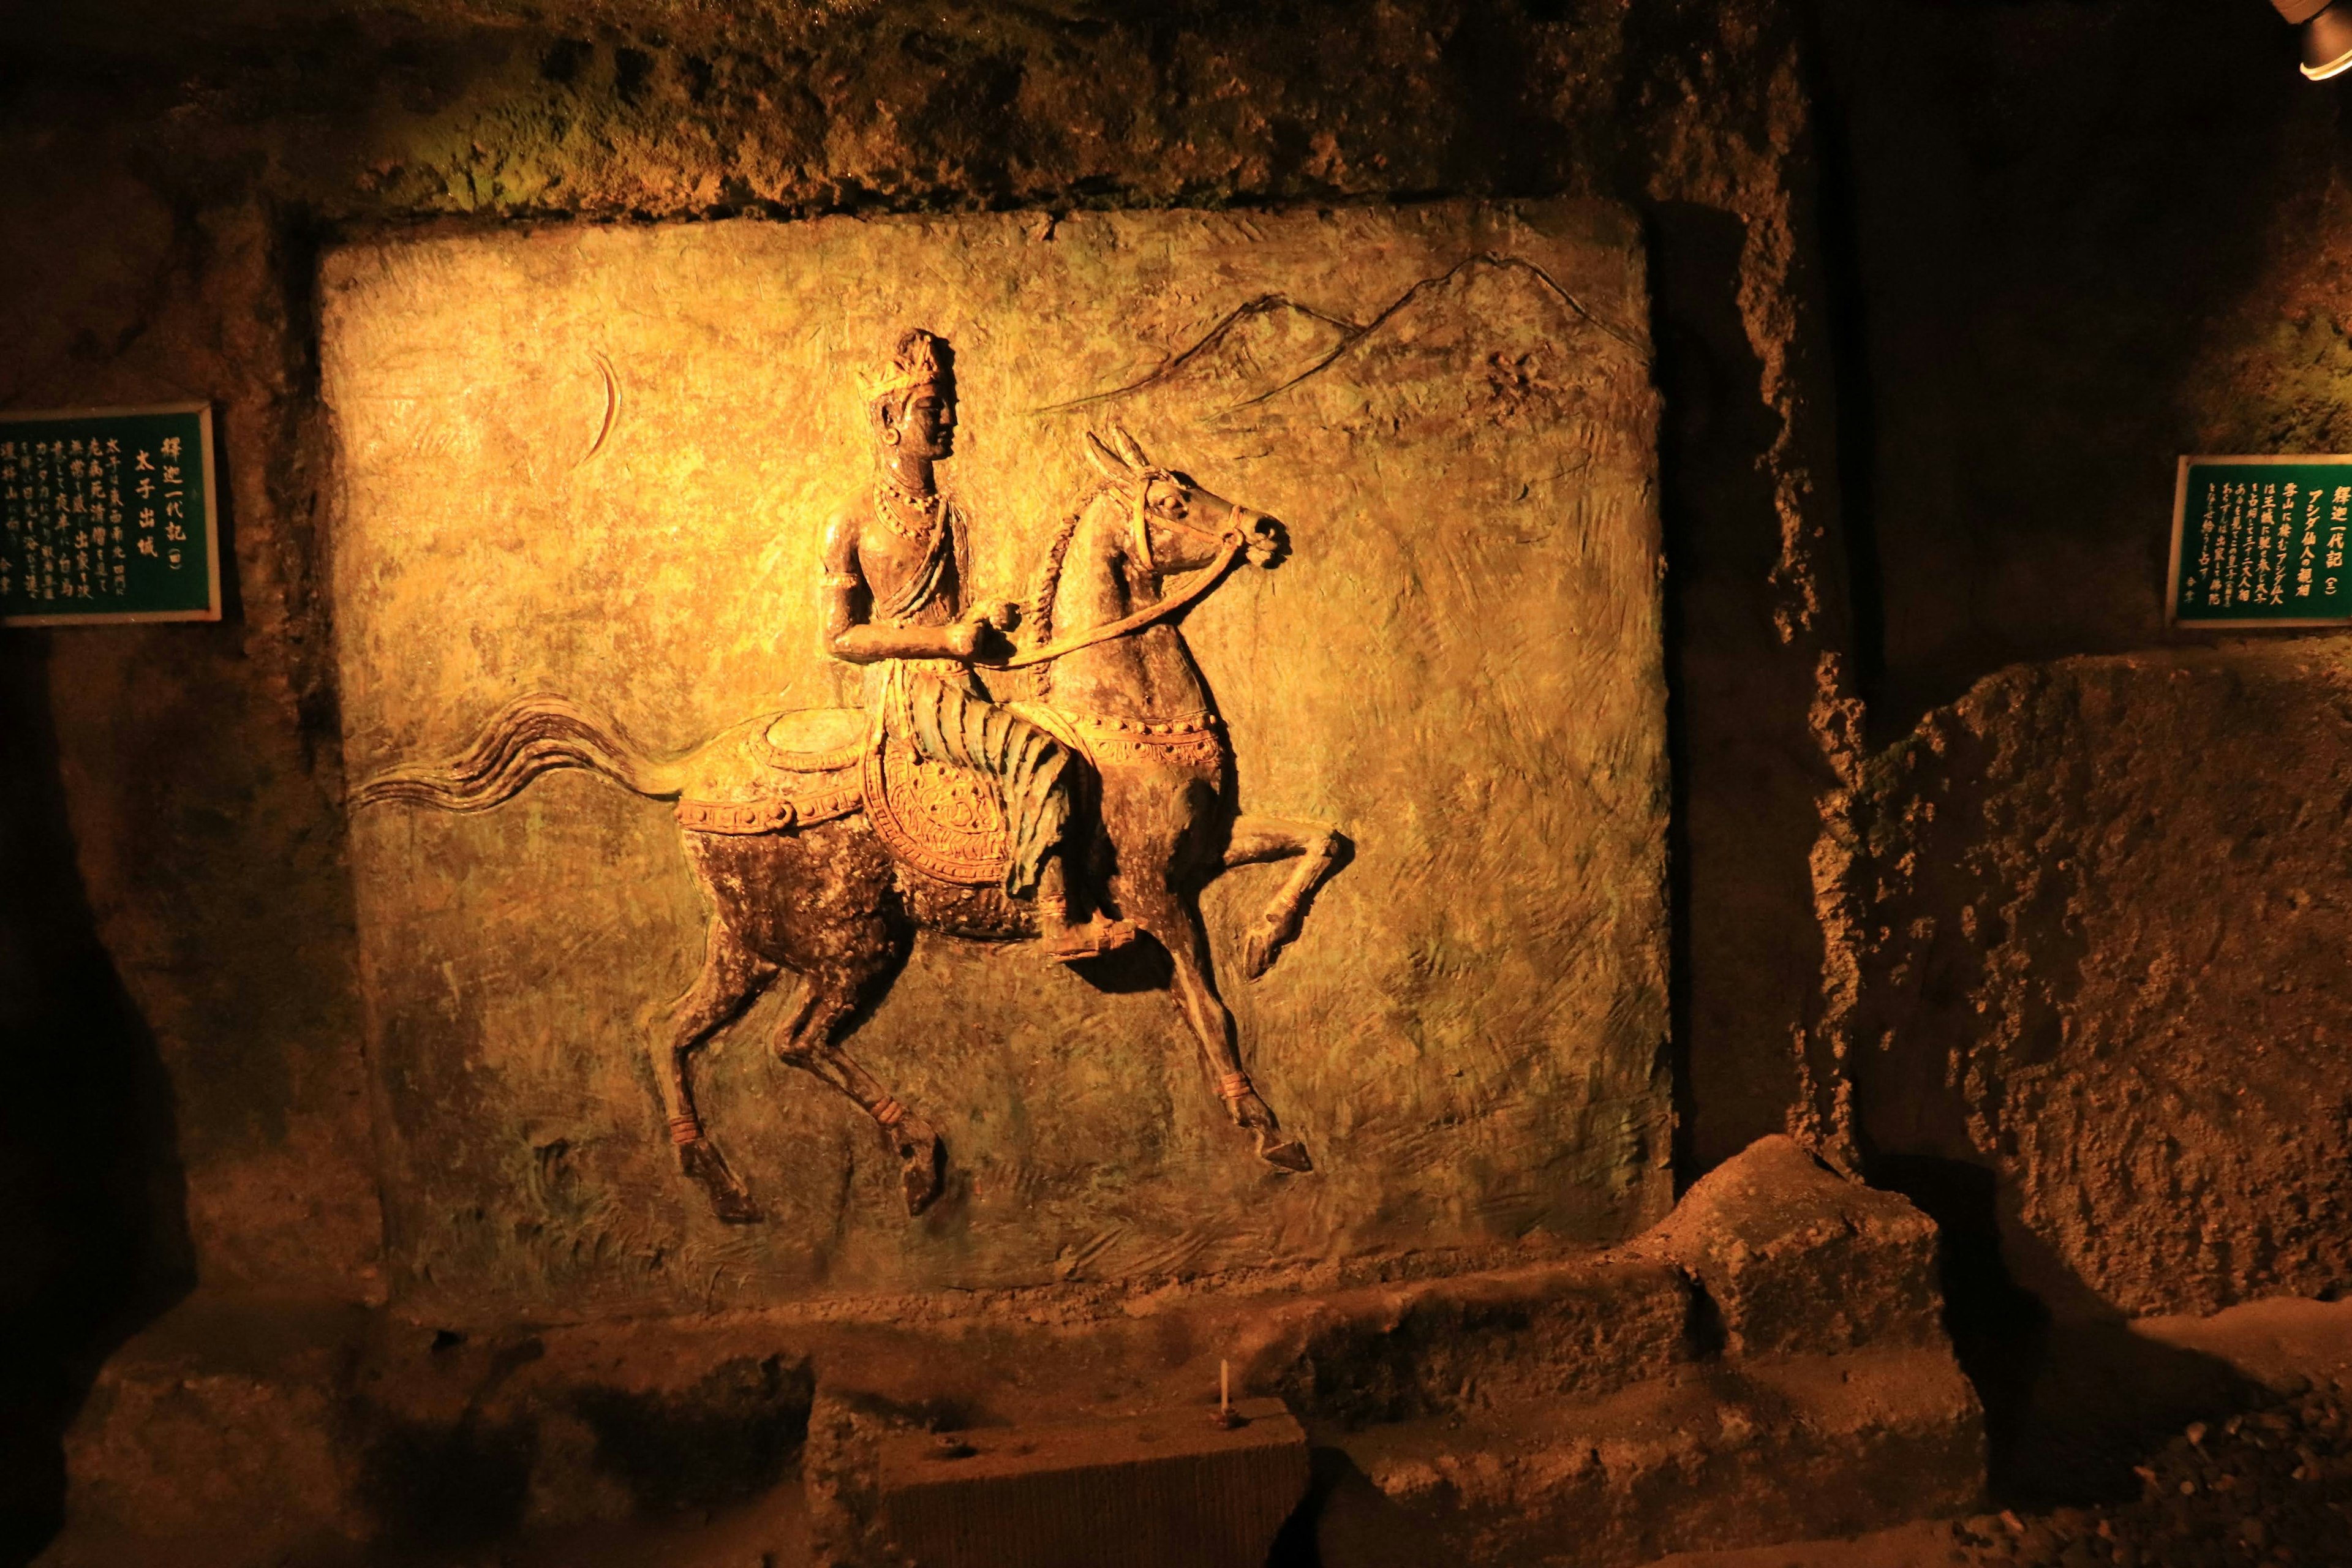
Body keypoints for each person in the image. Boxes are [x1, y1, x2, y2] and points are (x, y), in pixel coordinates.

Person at [818, 327, 1134, 962]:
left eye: (949, 405)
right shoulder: (853, 518)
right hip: (907, 695)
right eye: (934, 408)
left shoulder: (949, 515)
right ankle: (1059, 923)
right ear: (889, 417)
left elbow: (958, 624)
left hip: (959, 680)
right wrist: (944, 638)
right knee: (1036, 753)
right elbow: (840, 637)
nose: (950, 420)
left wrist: (981, 626)